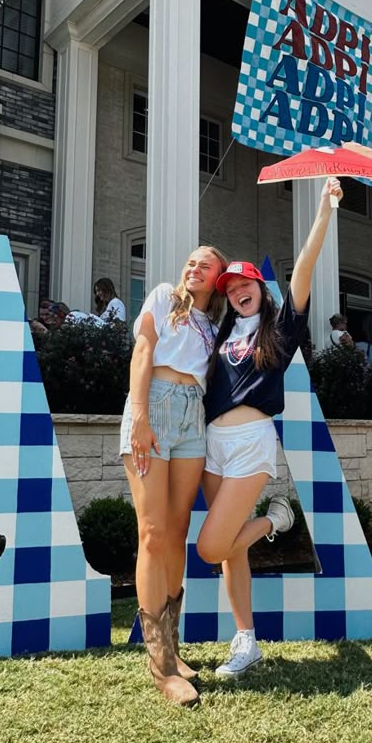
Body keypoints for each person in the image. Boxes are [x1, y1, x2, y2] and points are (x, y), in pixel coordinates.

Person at [197, 177, 342, 679]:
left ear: (261, 287)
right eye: (231, 288)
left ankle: (276, 521)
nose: (238, 292)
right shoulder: (216, 335)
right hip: (211, 444)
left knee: (213, 545)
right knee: (229, 552)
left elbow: (303, 269)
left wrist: (324, 211)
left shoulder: (278, 331)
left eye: (245, 284)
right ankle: (246, 641)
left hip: (251, 444)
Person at [121, 245, 227, 706]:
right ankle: (161, 664)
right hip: (156, 408)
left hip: (193, 416)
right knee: (152, 532)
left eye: (206, 264)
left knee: (179, 530)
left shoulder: (212, 326)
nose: (194, 268)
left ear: (219, 278)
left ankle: (174, 649)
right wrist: (140, 414)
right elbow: (143, 350)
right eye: (190, 261)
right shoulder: (164, 296)